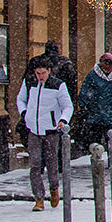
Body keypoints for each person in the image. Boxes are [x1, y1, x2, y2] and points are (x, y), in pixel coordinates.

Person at [16, 57, 72, 211]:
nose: (40, 76)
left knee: (52, 163)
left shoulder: (58, 85)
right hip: (33, 130)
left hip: (51, 131)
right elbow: (21, 99)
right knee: (35, 165)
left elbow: (67, 106)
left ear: (49, 71)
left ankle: (54, 188)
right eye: (37, 73)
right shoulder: (29, 83)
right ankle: (38, 198)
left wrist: (62, 120)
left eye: (42, 73)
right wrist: (25, 113)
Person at [77, 53, 112, 152]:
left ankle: (111, 161)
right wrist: (82, 104)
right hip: (95, 113)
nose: (107, 66)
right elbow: (85, 89)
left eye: (110, 63)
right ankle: (96, 159)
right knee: (95, 140)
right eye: (105, 62)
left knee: (111, 139)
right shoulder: (93, 75)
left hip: (111, 113)